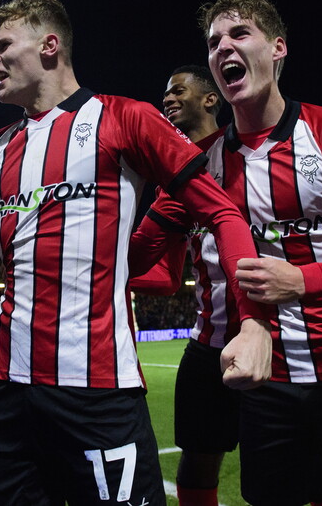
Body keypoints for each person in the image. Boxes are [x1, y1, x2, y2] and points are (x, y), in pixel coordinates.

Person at [0, 0, 273, 505]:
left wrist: (252, 321)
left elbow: (221, 212)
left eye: (3, 46)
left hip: (99, 390)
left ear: (50, 46)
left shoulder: (124, 119)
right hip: (4, 391)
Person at [131, 0, 322, 505]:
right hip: (269, 384)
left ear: (278, 48)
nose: (224, 49)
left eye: (240, 34)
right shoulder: (201, 165)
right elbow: (138, 251)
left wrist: (301, 280)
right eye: (214, 42)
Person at [130, 64, 239, 506]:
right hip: (209, 338)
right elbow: (155, 267)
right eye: (165, 93)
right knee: (197, 456)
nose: (168, 99)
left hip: (276, 336)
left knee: (300, 465)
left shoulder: (243, 152)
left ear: (210, 99)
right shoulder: (174, 177)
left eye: (179, 90)